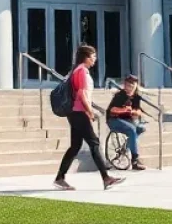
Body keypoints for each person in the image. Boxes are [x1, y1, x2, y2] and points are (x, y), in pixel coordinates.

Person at [53, 44, 124, 191]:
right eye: (93, 57)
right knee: (94, 143)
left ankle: (60, 178)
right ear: (86, 57)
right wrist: (90, 112)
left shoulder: (75, 71)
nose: (95, 60)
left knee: (75, 146)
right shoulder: (82, 72)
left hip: (74, 113)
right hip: (79, 112)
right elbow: (82, 95)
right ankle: (106, 178)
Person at [106, 74, 147, 171]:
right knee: (132, 129)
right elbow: (113, 110)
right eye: (129, 85)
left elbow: (138, 111)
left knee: (141, 128)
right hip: (114, 120)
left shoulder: (136, 97)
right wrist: (125, 110)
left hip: (127, 121)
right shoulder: (120, 95)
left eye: (133, 84)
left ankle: (126, 147)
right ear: (125, 85)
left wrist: (136, 112)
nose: (131, 87)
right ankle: (135, 160)